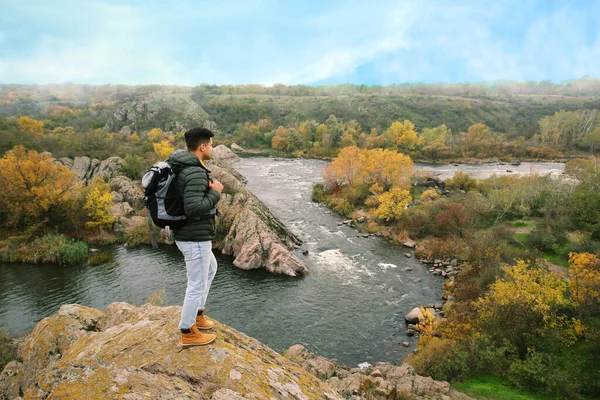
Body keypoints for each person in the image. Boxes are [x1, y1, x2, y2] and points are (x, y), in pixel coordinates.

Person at [168, 127, 224, 347]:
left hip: (193, 236)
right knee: (196, 283)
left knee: (210, 269)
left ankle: (198, 315)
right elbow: (193, 208)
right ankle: (187, 330)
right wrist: (215, 192)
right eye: (210, 145)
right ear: (202, 147)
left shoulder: (189, 167)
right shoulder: (194, 172)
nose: (212, 148)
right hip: (194, 238)